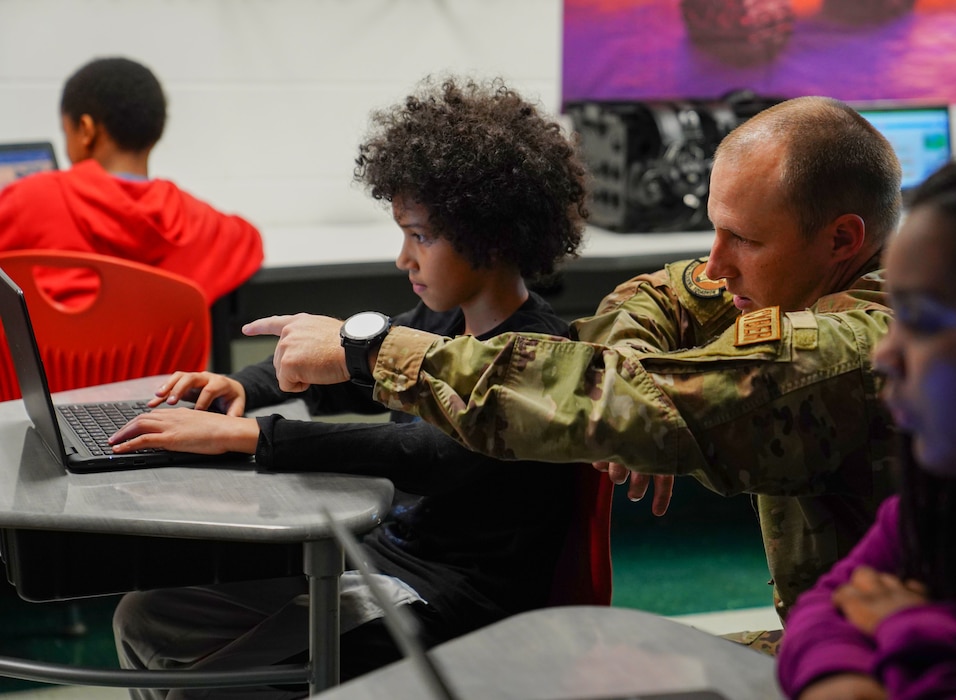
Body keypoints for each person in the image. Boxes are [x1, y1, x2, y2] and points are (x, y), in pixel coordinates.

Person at [243, 95, 904, 629]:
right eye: (716, 229)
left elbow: (637, 405)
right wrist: (627, 393)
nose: (714, 264)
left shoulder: (859, 349)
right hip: (841, 633)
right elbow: (658, 295)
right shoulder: (801, 276)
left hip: (910, 662)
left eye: (746, 240)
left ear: (842, 238)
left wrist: (368, 352)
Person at [107, 75, 589, 698]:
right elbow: (350, 369)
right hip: (384, 561)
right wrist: (241, 388)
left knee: (215, 686)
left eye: (420, 236)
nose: (403, 259)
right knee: (144, 617)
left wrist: (247, 436)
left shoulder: (542, 355)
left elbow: (424, 456)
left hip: (453, 602)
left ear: (490, 237)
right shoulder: (440, 323)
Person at [777, 126, 956, 699]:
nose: (884, 354)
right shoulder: (953, 502)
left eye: (922, 320)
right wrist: (845, 680)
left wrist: (915, 632)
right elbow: (827, 606)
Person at [0, 56, 263, 308]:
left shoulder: (28, 201)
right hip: (156, 357)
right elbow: (249, 240)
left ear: (86, 130)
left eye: (66, 132)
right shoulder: (192, 218)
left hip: (47, 356)